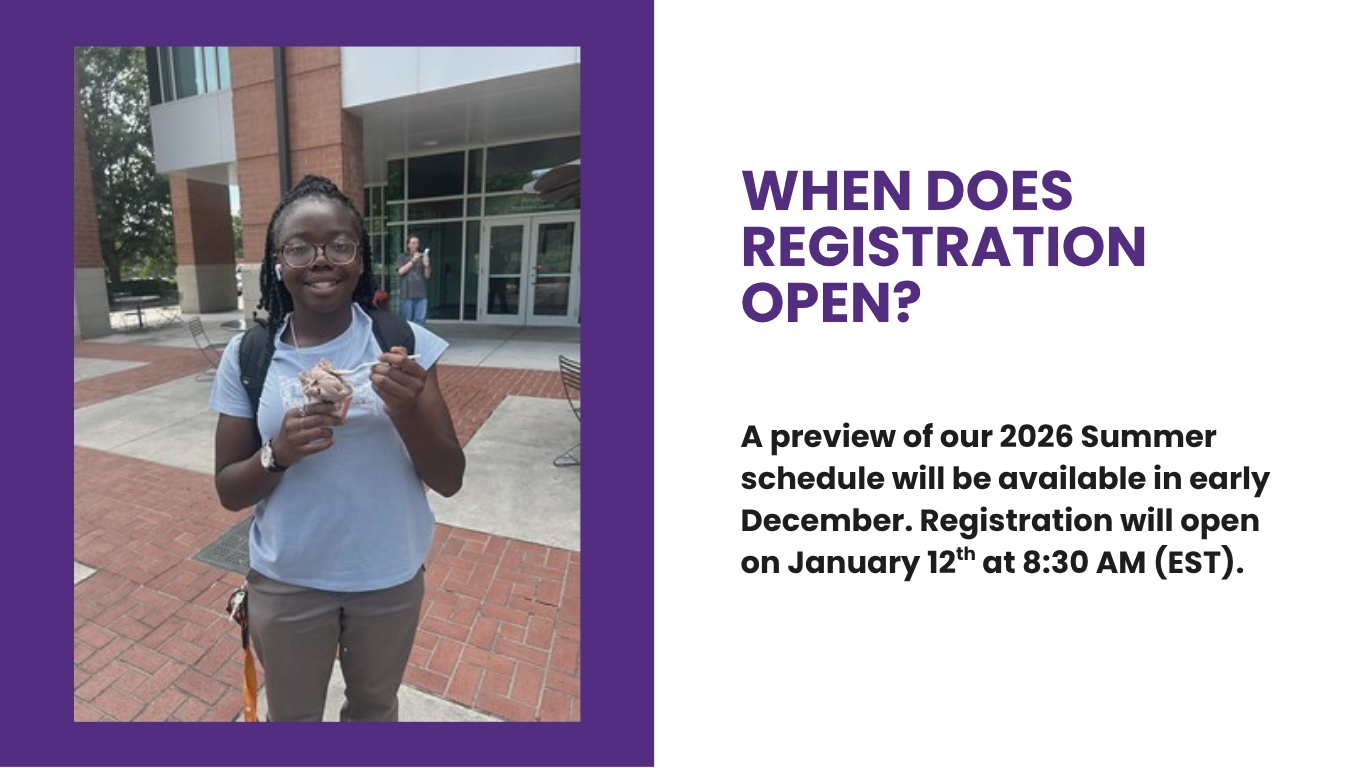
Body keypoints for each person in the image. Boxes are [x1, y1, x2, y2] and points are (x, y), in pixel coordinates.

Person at [208, 175, 465, 722]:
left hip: (388, 575)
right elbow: (229, 489)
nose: (321, 260)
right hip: (288, 579)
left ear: (360, 257)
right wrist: (279, 453)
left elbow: (450, 476)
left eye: (339, 245)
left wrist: (405, 410)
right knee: (293, 718)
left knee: (374, 710)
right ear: (279, 263)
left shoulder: (405, 344)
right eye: (300, 247)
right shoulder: (249, 354)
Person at [396, 235, 432, 326]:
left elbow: (427, 276)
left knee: (420, 321)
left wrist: (427, 265)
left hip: (421, 295)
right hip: (406, 295)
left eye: (417, 243)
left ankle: (419, 340)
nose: (415, 245)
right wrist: (413, 260)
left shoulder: (422, 257)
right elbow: (400, 272)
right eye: (413, 243)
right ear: (408, 245)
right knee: (407, 322)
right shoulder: (402, 257)